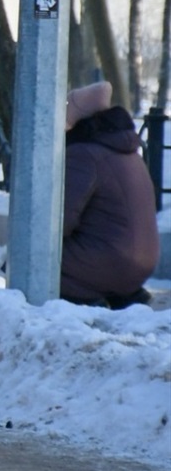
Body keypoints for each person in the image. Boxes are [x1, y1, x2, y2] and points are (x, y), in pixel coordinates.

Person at [60, 82, 159, 308]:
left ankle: (86, 304)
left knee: (31, 257)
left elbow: (59, 222)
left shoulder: (83, 154)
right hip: (141, 263)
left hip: (111, 262)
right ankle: (120, 296)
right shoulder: (127, 152)